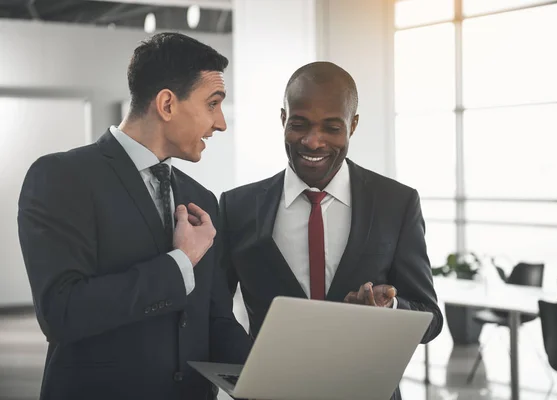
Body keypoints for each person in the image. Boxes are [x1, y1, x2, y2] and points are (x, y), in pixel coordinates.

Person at [17, 32, 250, 400]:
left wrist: (273, 373)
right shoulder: (61, 177)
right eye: (213, 104)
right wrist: (180, 263)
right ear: (167, 104)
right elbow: (61, 313)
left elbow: (214, 320)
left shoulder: (199, 199)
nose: (220, 123)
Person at [219, 61, 443, 399]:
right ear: (283, 119)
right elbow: (214, 312)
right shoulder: (236, 207)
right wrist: (249, 366)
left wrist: (389, 312)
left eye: (331, 127)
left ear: (352, 125)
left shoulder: (396, 202)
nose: (313, 141)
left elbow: (430, 318)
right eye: (299, 124)